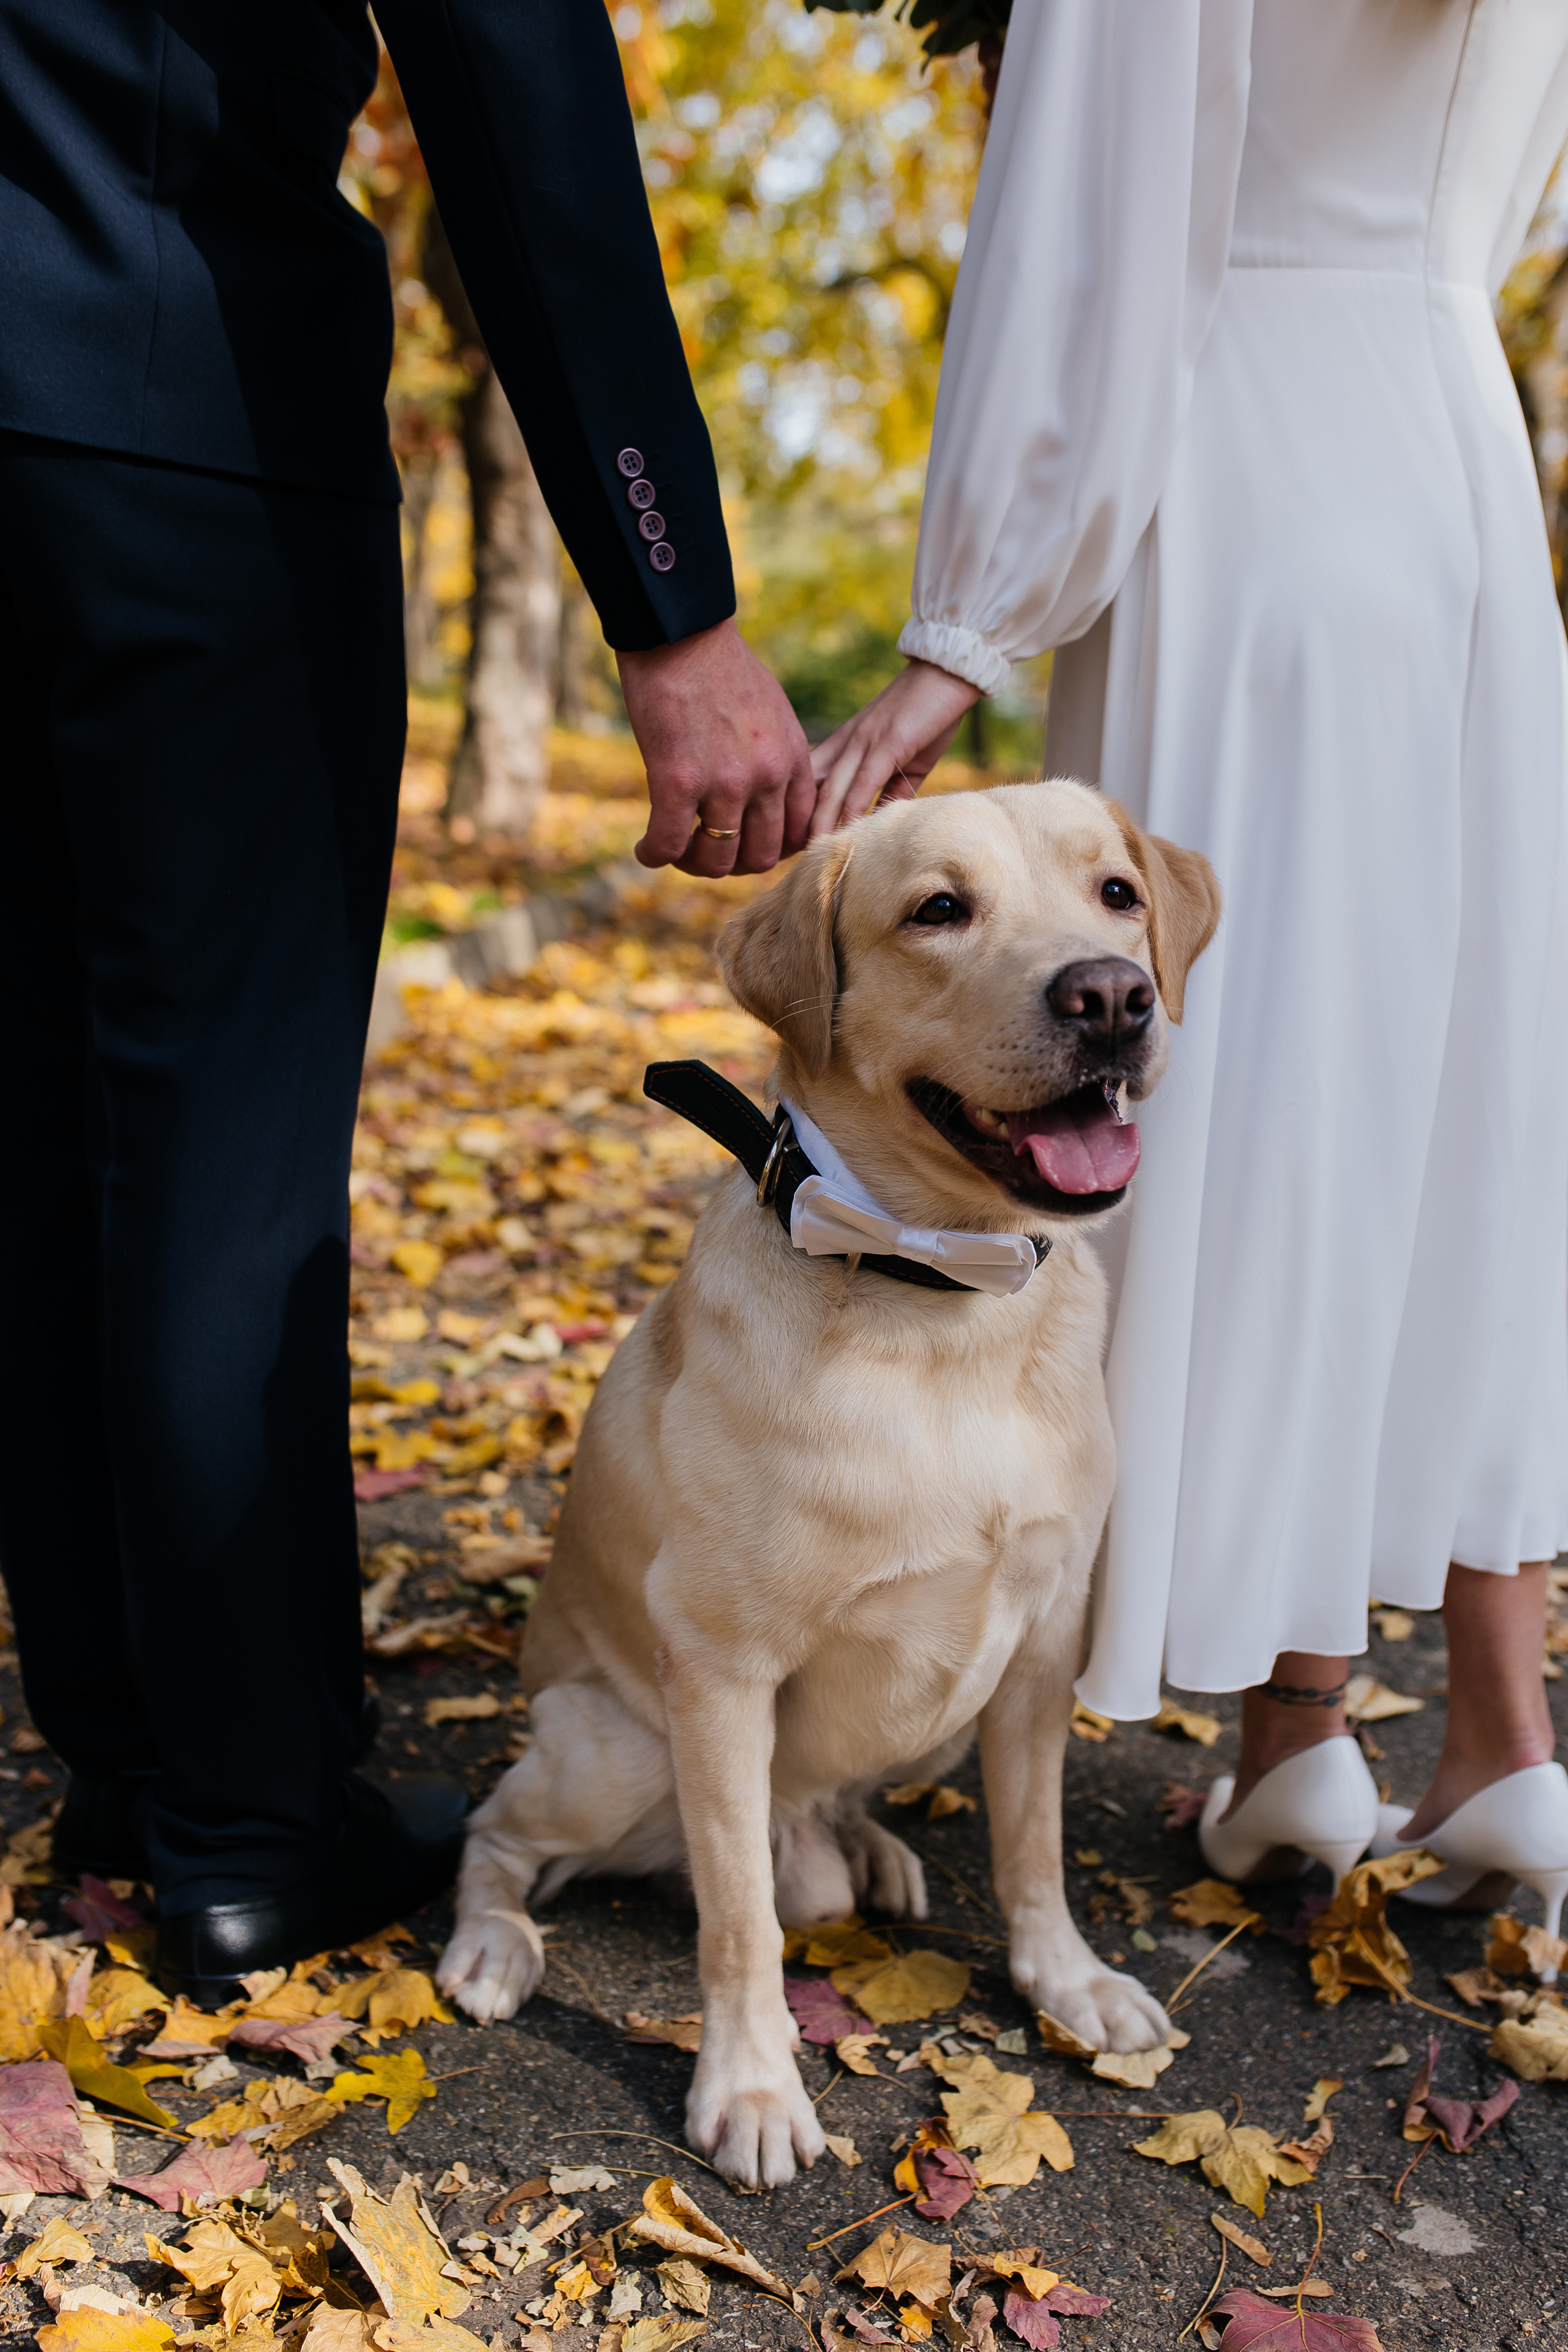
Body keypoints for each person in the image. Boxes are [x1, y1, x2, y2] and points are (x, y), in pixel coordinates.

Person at [0, 0, 813, 2001]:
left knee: (34, 1137)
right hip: (184, 407)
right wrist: (671, 598)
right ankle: (249, 1824)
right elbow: (509, 71)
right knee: (218, 1145)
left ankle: (126, 1763)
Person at [812, 0, 1568, 1940]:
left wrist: (958, 632)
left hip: (1236, 469)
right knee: (1458, 1091)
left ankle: (1294, 1718)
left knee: (1212, 1089)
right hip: (1459, 460)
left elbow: (1101, 213)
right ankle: (1497, 1734)